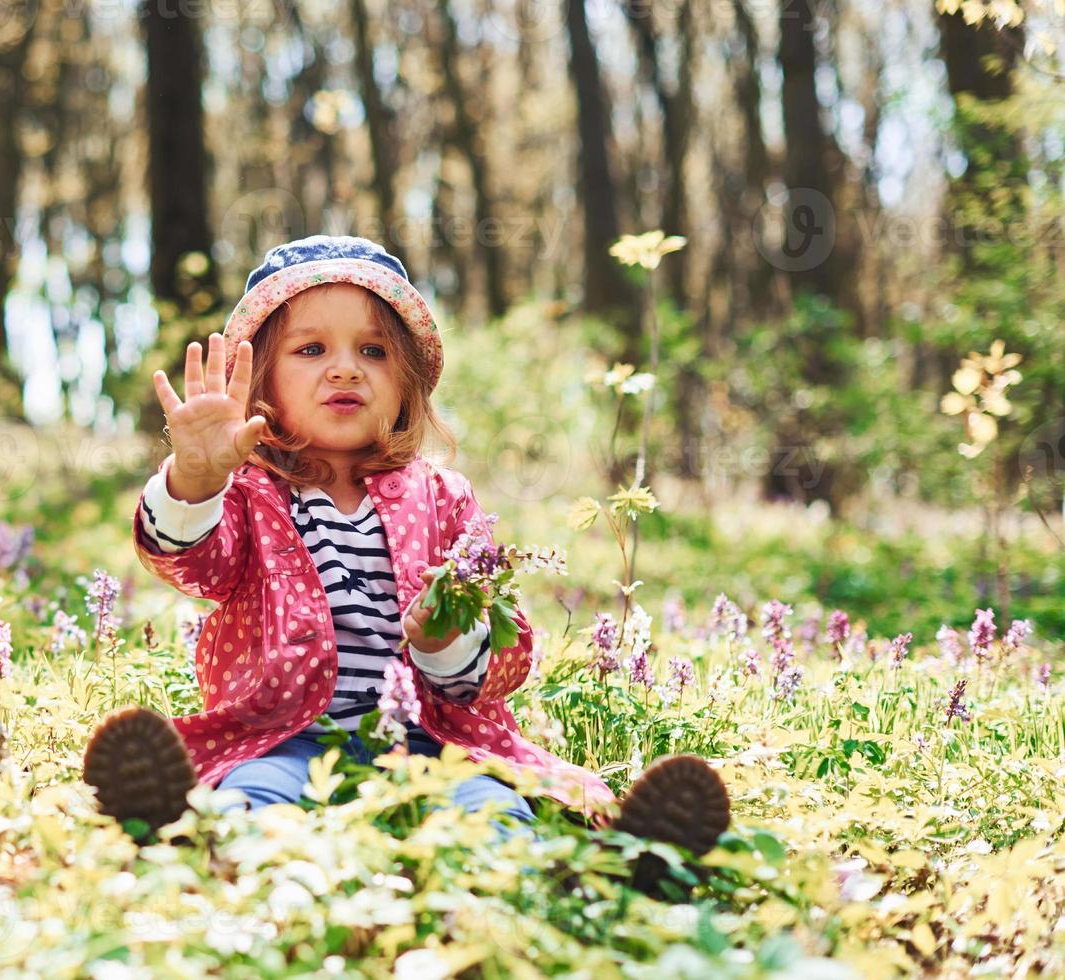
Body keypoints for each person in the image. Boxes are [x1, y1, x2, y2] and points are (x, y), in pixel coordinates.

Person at [83, 235, 730, 860]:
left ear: (407, 381)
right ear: (260, 383)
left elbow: (506, 650)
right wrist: (195, 479)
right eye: (310, 349)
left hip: (432, 740)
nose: (344, 367)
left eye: (373, 350)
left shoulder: (443, 498)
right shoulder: (250, 494)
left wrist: (450, 643)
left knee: (490, 809)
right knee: (255, 802)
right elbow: (194, 564)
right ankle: (192, 834)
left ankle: (614, 862)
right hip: (282, 740)